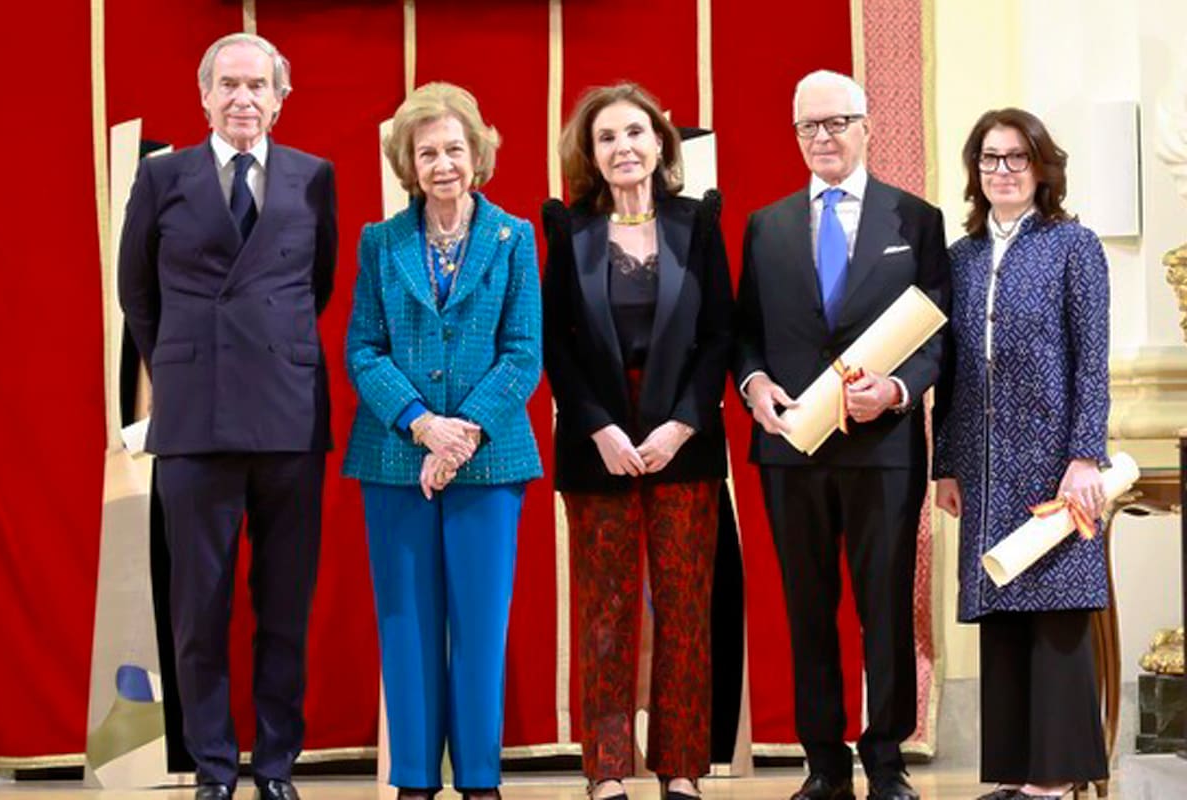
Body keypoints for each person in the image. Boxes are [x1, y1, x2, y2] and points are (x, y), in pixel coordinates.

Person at [117, 32, 337, 800]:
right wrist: (181, 361)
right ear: (204, 95)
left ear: (281, 99)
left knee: (283, 606)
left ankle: (275, 766)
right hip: (196, 419)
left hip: (288, 418)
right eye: (229, 85)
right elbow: (136, 292)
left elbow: (319, 282)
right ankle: (214, 767)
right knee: (198, 611)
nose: (243, 98)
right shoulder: (162, 177)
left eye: (258, 86)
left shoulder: (315, 178)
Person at [733, 70, 950, 800]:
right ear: (794, 135)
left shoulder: (914, 220)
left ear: (867, 127)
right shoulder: (766, 225)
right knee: (807, 607)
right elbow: (744, 335)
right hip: (790, 449)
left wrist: (896, 390)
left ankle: (885, 761)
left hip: (883, 449)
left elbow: (935, 333)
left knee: (886, 606)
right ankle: (823, 764)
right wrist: (755, 386)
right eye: (808, 127)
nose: (822, 138)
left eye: (836, 122)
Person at [343, 82, 542, 800]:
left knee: (481, 627)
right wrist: (422, 424)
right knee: (407, 625)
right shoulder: (379, 241)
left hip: (490, 461)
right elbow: (363, 349)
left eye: (454, 148)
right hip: (395, 456)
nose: (443, 163)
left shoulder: (513, 236)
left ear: (478, 153)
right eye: (427, 152)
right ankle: (415, 780)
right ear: (409, 162)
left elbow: (523, 353)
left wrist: (460, 436)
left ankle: (481, 780)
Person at [542, 83, 735, 800]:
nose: (623, 147)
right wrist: (601, 428)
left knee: (685, 608)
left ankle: (681, 766)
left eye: (635, 133)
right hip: (599, 444)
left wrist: (682, 422)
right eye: (606, 138)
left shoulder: (699, 222)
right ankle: (607, 770)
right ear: (591, 155)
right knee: (605, 611)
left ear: (660, 143)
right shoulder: (569, 228)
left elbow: (721, 333)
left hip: (684, 437)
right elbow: (554, 344)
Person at [933, 108, 1110, 800]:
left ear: (1041, 168)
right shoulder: (961, 257)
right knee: (1001, 601)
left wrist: (1085, 455)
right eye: (989, 159)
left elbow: (1090, 360)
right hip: (981, 458)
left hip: (1054, 456)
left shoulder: (1074, 245)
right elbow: (949, 373)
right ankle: (1013, 772)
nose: (1002, 171)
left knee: (1056, 608)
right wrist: (946, 463)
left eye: (1015, 158)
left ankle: (1057, 775)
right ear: (976, 173)